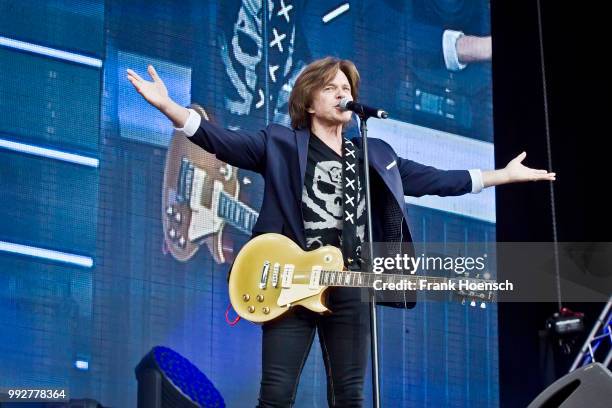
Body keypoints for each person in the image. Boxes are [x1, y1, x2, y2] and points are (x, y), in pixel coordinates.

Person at [127, 56, 555, 407]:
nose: (343, 94)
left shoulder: (375, 155)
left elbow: (437, 180)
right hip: (288, 284)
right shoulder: (280, 143)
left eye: (347, 88)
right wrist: (168, 107)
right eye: (331, 87)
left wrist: (502, 175)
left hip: (349, 286)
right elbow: (223, 141)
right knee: (275, 395)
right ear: (309, 102)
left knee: (349, 397)